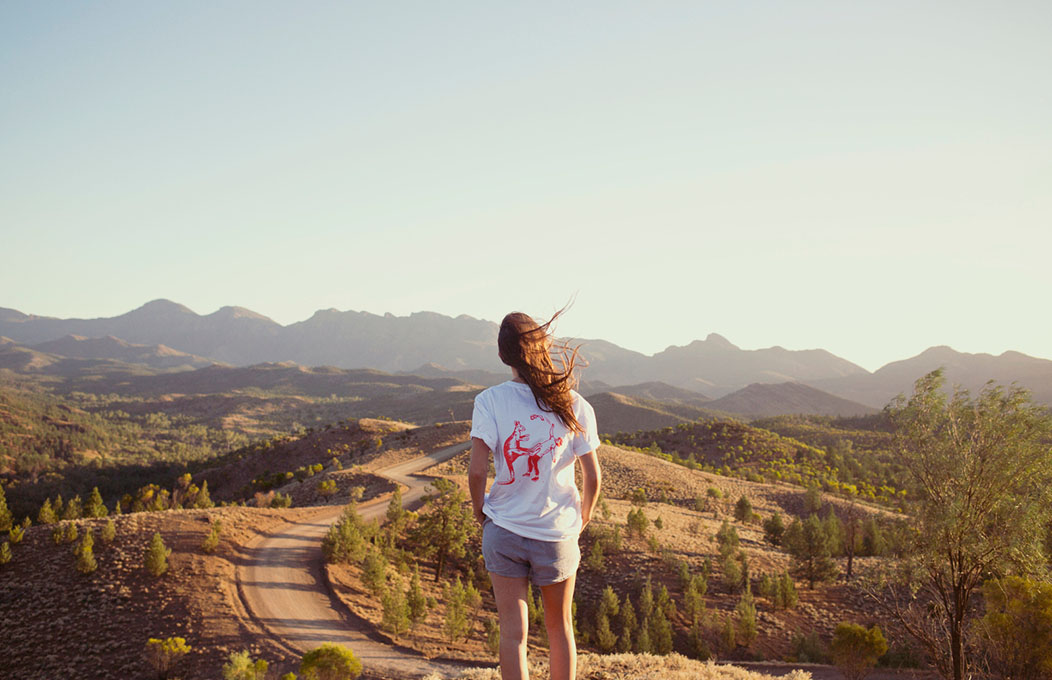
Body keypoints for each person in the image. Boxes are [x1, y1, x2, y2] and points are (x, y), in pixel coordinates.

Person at [468, 310, 602, 680]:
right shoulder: (574, 403)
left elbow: (477, 471)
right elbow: (593, 475)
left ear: (502, 355)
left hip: (503, 529)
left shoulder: (489, 401)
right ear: (542, 347)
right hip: (556, 533)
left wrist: (480, 511)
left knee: (513, 633)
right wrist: (584, 516)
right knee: (560, 628)